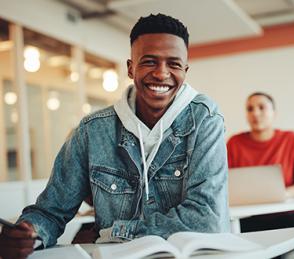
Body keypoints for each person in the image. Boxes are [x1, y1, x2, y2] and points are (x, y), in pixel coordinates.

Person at [0, 13, 229, 259]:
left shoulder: (205, 118)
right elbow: (50, 211)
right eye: (149, 62)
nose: (162, 74)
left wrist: (115, 232)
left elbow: (206, 220)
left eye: (173, 64)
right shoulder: (92, 130)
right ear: (130, 68)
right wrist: (29, 233)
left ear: (185, 70)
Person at [227, 92, 294, 259]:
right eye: (250, 109)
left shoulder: (292, 139)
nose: (255, 113)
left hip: (290, 214)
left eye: (262, 107)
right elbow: (223, 184)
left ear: (274, 113)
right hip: (249, 217)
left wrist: (283, 194)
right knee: (229, 234)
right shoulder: (234, 143)